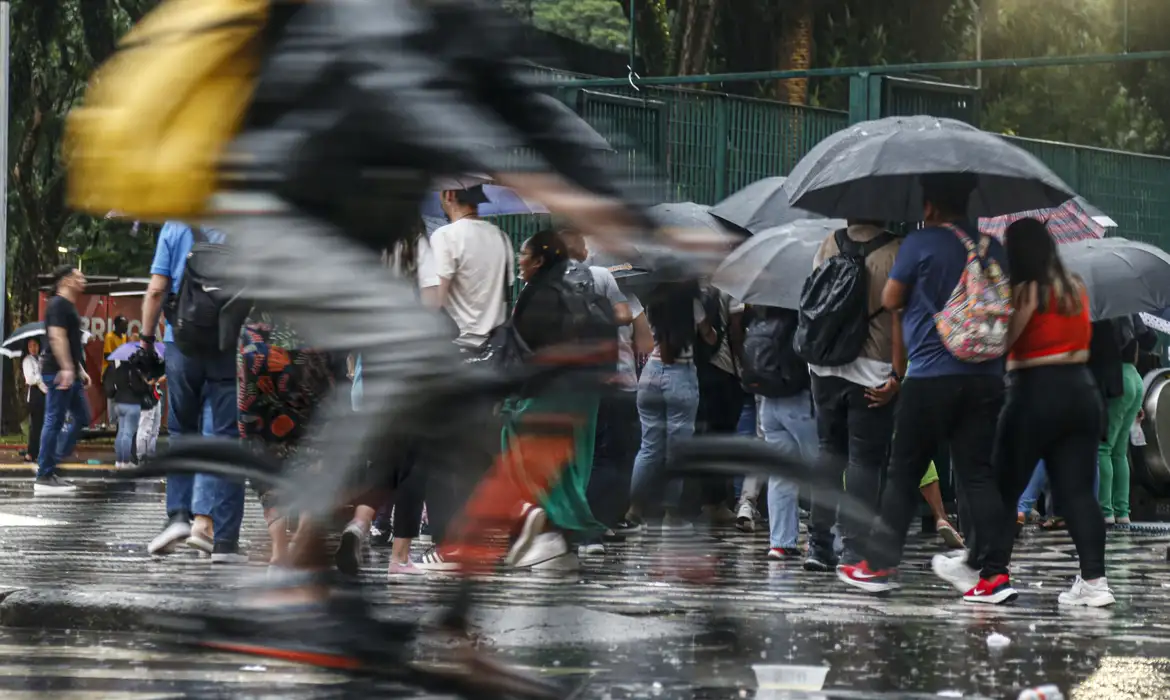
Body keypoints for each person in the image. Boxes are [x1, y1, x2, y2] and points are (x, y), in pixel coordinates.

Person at [837, 173, 1008, 595]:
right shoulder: (992, 247)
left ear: (929, 206)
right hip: (986, 376)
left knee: (904, 471)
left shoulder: (920, 243)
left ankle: (878, 567)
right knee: (978, 475)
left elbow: (891, 298)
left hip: (931, 375)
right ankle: (994, 573)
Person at [966, 217, 1112, 606]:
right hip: (1082, 392)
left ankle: (993, 576)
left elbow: (1003, 343)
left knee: (1005, 487)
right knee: (1079, 493)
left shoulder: (1025, 291)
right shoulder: (1074, 287)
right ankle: (1095, 582)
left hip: (1035, 391)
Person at [803, 219, 903, 571]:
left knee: (829, 453)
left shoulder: (828, 242)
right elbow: (900, 317)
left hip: (825, 368)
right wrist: (898, 374)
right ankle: (853, 548)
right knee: (864, 460)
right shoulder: (896, 250)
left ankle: (817, 545)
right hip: (873, 370)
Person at [143, 221, 246, 563]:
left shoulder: (175, 226)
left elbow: (158, 289)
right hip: (228, 345)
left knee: (182, 432)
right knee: (228, 438)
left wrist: (146, 339)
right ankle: (226, 542)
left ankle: (178, 517)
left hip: (181, 341)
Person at [561, 227, 640, 553]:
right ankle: (597, 526)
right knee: (604, 456)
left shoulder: (541, 282)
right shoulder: (600, 276)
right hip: (606, 378)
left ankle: (570, 527)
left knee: (572, 457)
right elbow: (624, 315)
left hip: (563, 382)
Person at [624, 280, 716, 530]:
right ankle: (671, 514)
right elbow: (709, 336)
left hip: (651, 373)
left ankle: (635, 508)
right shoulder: (692, 303)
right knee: (677, 450)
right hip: (680, 374)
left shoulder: (652, 301)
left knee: (649, 446)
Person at [429, 186, 513, 352]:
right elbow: (505, 291)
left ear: (450, 194)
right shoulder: (501, 236)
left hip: (458, 348)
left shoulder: (445, 236)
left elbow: (436, 299)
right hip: (494, 349)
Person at [36, 266, 91, 494]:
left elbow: (70, 341)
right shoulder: (58, 304)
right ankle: (44, 475)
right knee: (54, 420)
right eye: (79, 276)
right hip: (58, 371)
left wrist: (79, 369)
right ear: (67, 280)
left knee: (83, 416)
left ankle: (51, 459)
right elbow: (57, 337)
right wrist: (67, 368)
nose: (83, 279)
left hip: (70, 371)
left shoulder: (67, 306)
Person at [1097, 316, 1144, 526]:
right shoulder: (1129, 309)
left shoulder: (1107, 315)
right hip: (1134, 377)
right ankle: (1122, 511)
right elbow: (1147, 339)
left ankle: (1105, 510)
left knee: (1103, 448)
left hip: (1117, 377)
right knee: (1119, 451)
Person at [104, 358, 150, 468]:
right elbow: (139, 388)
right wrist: (144, 382)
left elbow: (112, 387)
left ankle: (119, 461)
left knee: (121, 433)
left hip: (119, 404)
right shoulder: (133, 371)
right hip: (131, 404)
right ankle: (125, 461)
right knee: (128, 434)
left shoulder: (117, 370)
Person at [22, 339, 47, 464]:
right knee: (35, 425)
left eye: (35, 345)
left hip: (44, 393)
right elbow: (30, 379)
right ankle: (31, 453)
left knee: (43, 424)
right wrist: (39, 377)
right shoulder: (27, 360)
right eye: (30, 346)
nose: (33, 348)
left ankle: (39, 452)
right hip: (34, 394)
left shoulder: (41, 359)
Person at [102, 315, 129, 428]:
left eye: (127, 325)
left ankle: (119, 422)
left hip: (121, 369)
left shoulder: (124, 337)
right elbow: (108, 355)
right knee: (111, 394)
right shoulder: (110, 336)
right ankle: (112, 422)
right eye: (124, 325)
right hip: (110, 369)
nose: (126, 327)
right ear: (117, 325)